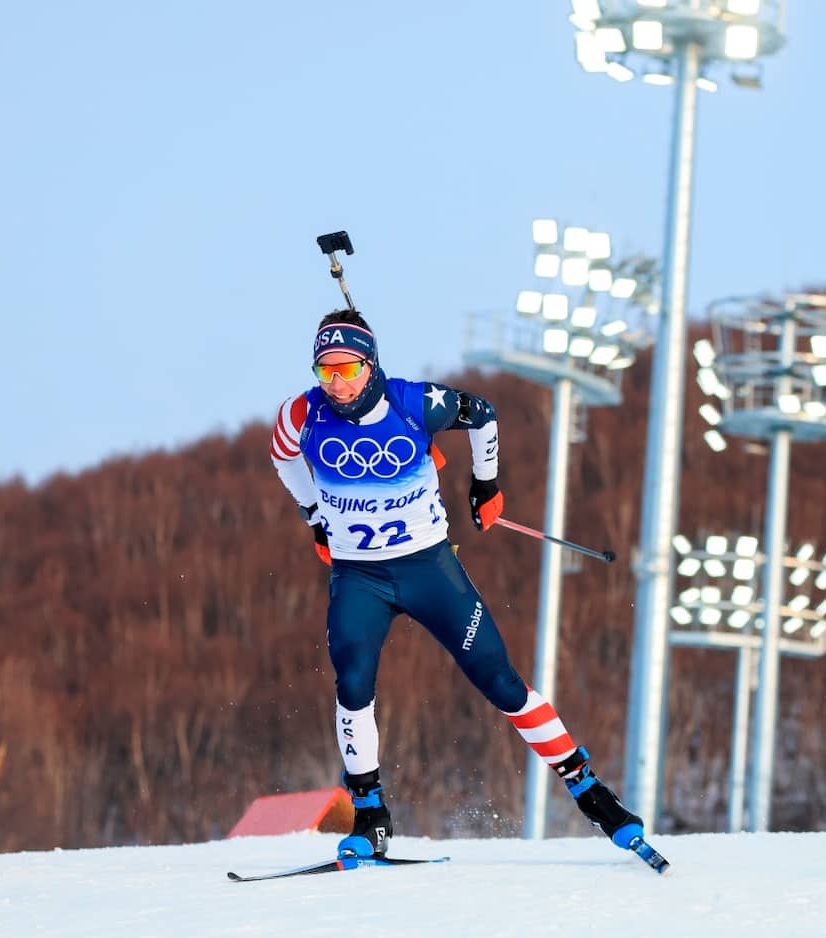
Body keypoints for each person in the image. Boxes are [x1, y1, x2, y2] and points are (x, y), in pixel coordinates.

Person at [269, 308, 645, 860]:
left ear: (370, 365)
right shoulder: (301, 414)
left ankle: (590, 791)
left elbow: (483, 414)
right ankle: (370, 816)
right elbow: (282, 457)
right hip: (359, 576)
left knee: (500, 680)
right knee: (352, 683)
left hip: (428, 569)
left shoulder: (414, 403)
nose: (337, 384)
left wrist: (484, 483)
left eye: (347, 369)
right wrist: (313, 515)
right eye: (326, 371)